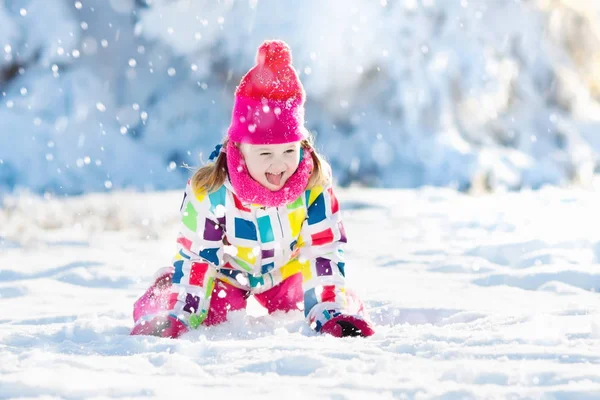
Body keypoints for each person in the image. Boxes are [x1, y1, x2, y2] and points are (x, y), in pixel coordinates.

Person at [130, 40, 375, 339]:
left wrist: (330, 312)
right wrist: (182, 313)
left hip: (284, 271)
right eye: (264, 154)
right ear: (239, 150)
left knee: (301, 300)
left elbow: (322, 250)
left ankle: (341, 310)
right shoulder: (213, 189)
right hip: (227, 273)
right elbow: (199, 257)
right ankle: (166, 296)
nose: (279, 165)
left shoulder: (312, 184)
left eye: (289, 151)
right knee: (216, 311)